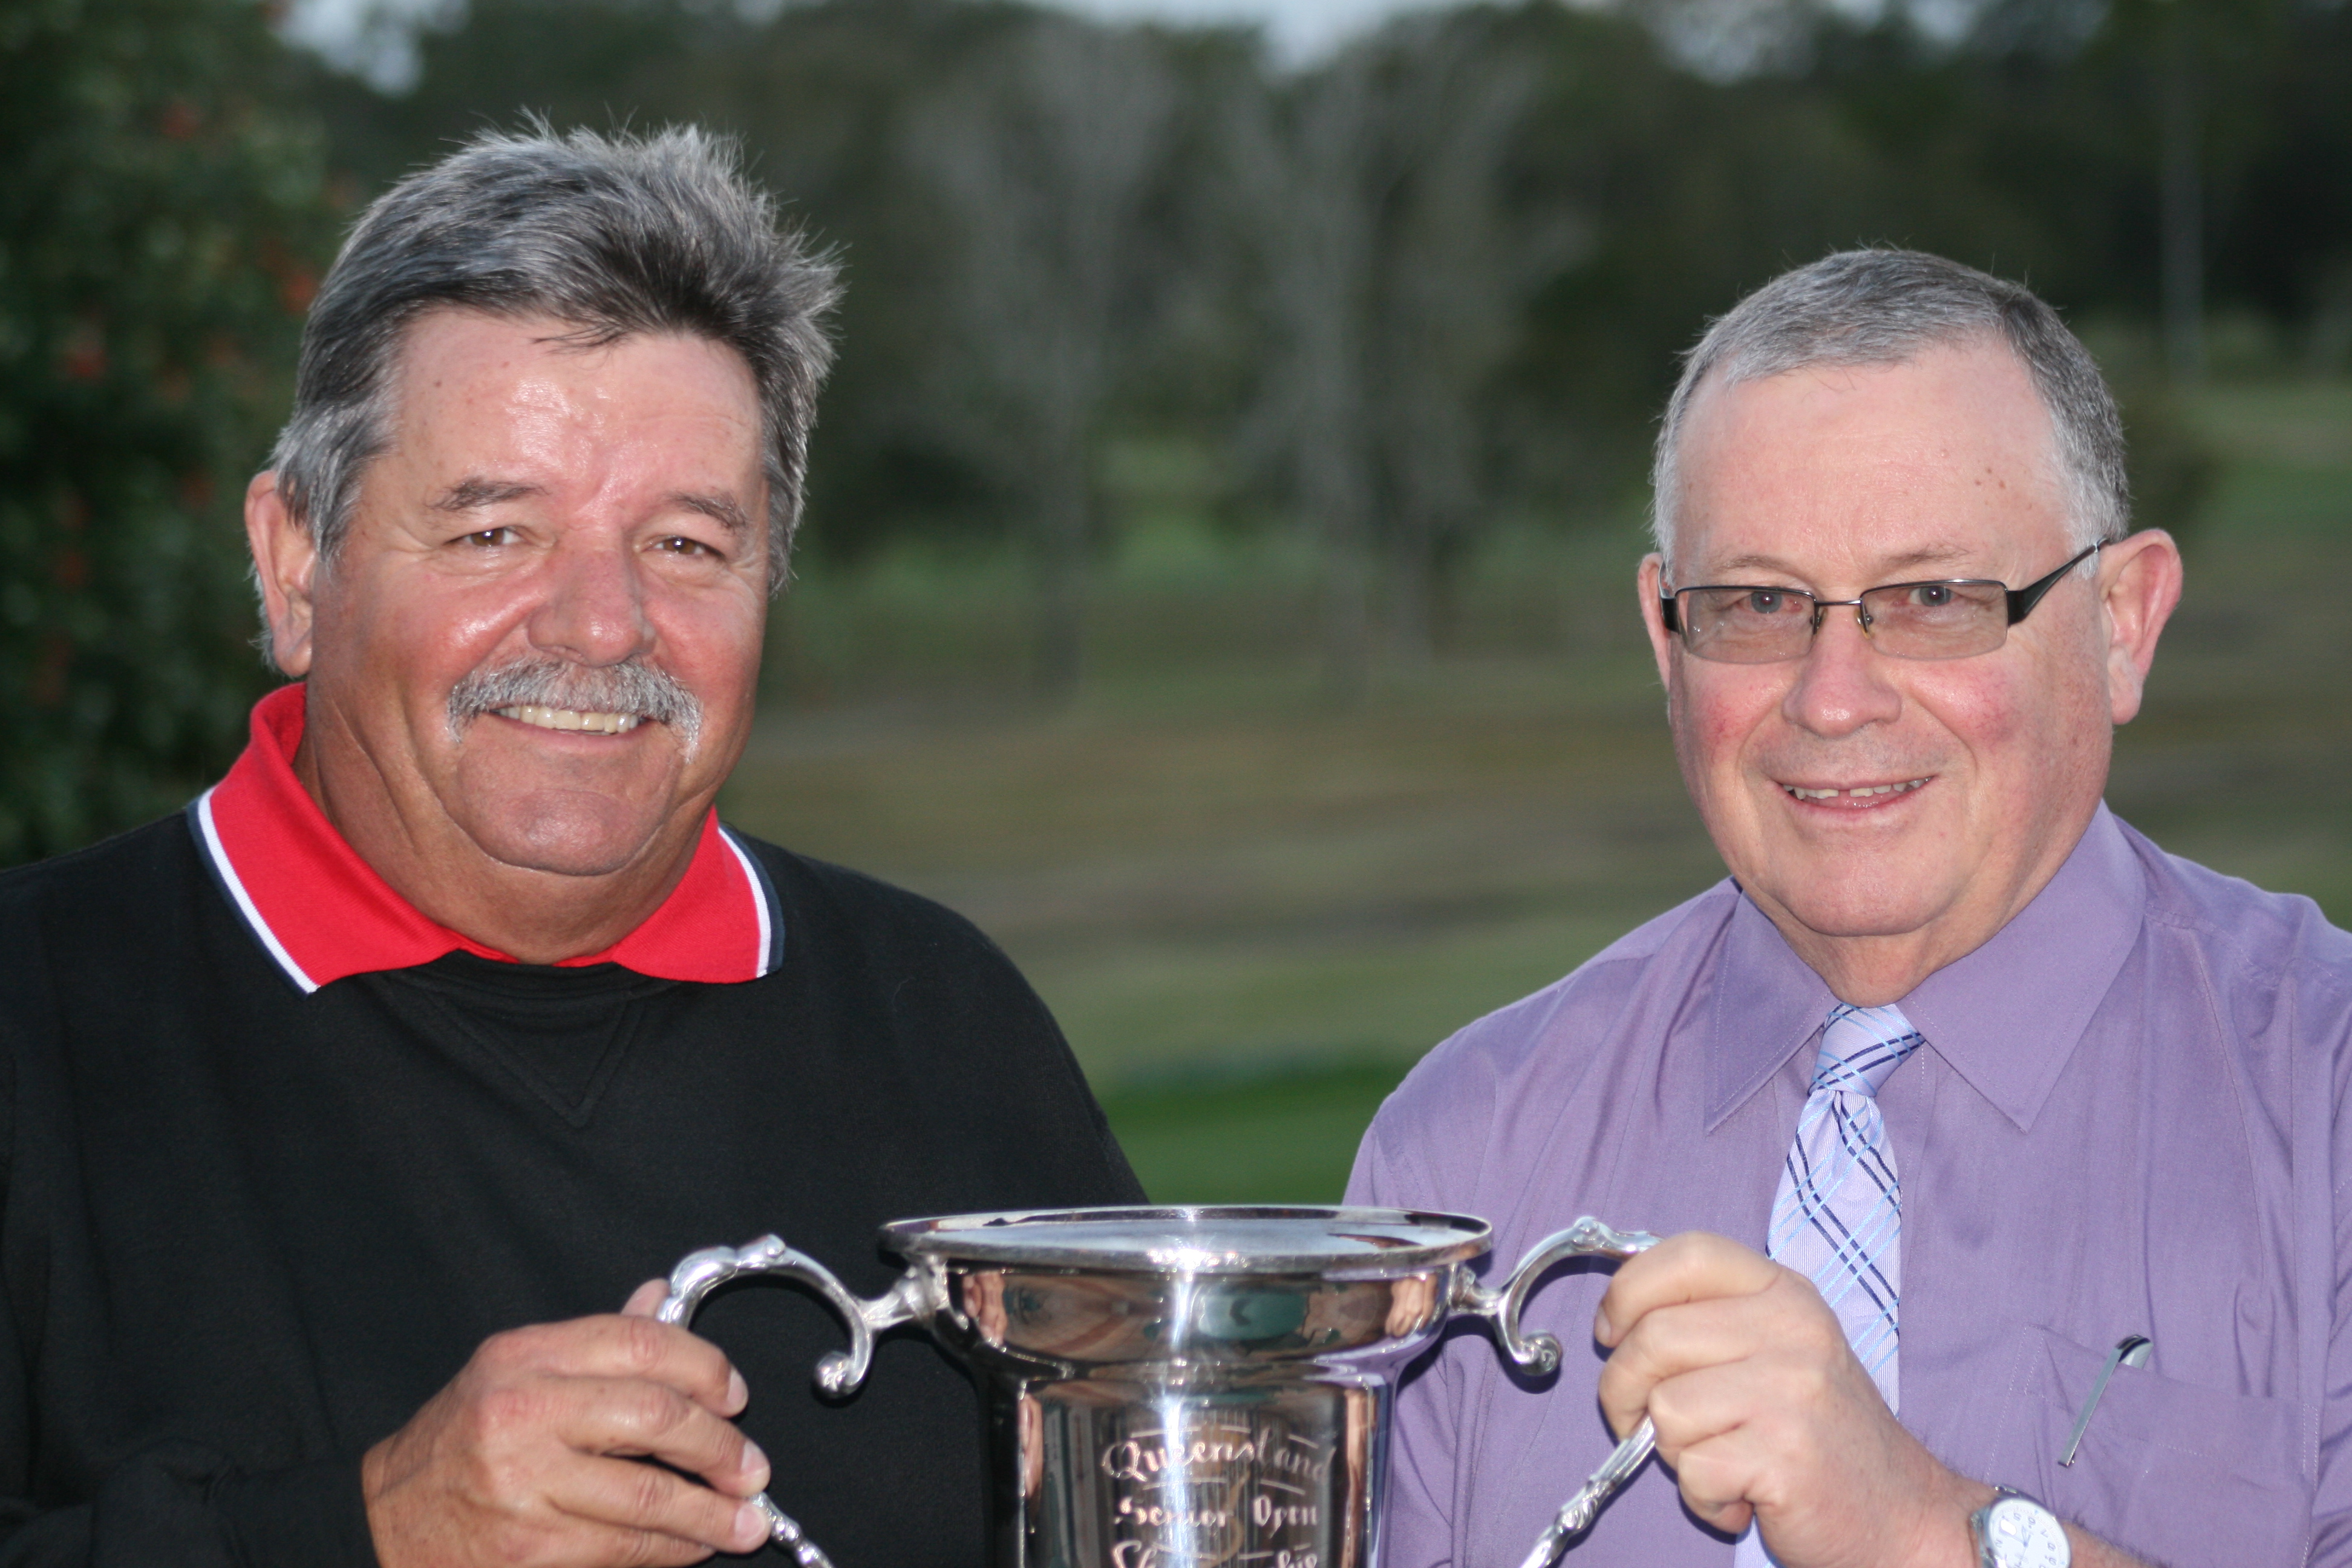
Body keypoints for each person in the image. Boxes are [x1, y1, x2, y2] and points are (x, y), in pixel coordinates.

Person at [0, 125, 1144, 1568]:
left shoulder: (945, 1020)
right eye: (494, 532)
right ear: (297, 567)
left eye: (683, 546)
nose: (601, 626)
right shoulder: (33, 1027)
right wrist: (368, 1536)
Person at [1347, 249, 2352, 1568]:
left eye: (1932, 599)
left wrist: (1923, 1534)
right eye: (1758, 604)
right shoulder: (1459, 1167)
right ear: (1666, 640)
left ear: (2123, 620)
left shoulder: (2323, 1108)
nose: (1834, 698)